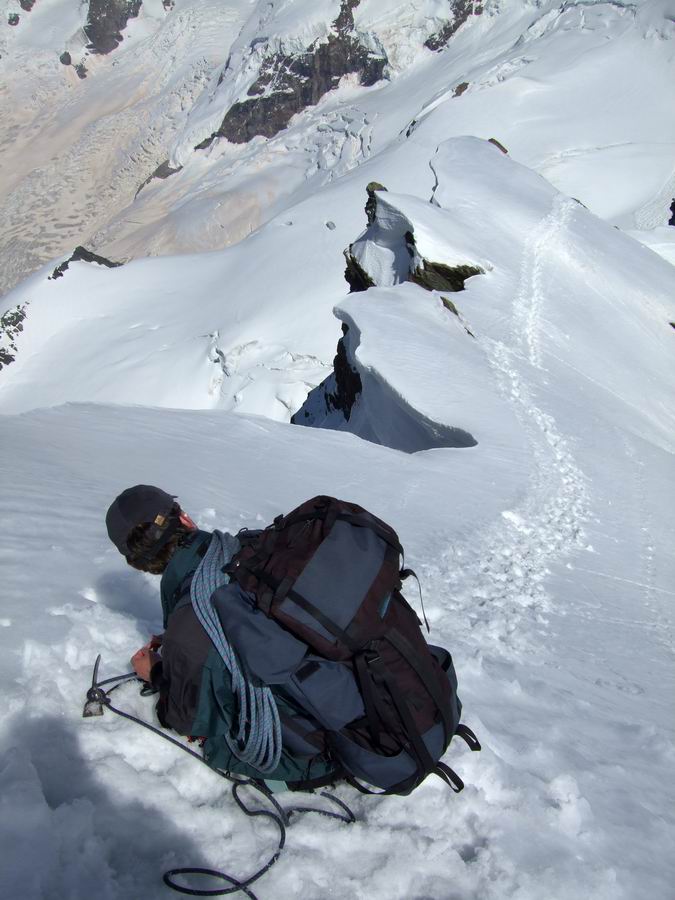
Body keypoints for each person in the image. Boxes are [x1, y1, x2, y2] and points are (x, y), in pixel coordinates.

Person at [105, 484, 340, 791]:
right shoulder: (250, 546)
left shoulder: (190, 623)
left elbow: (186, 718)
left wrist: (158, 671)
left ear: (137, 562)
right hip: (351, 693)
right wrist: (181, 639)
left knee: (219, 746)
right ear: (184, 519)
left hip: (314, 753)